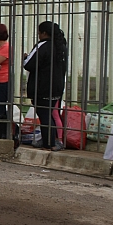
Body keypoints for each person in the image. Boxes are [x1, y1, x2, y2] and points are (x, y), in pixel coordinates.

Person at [23, 21, 68, 151]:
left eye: (39, 33)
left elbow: (29, 64)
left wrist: (25, 58)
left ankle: (49, 143)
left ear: (43, 33)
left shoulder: (42, 46)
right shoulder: (61, 47)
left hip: (41, 87)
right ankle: (51, 140)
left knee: (44, 115)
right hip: (57, 87)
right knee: (50, 114)